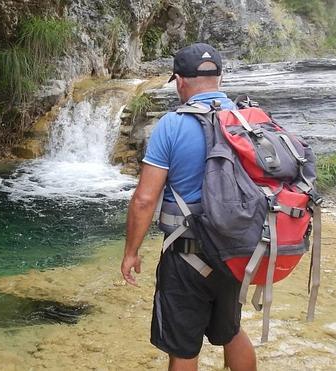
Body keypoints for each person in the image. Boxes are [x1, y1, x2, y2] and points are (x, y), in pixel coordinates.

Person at [121, 43, 257, 371]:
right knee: (231, 331)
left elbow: (144, 199)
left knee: (183, 348)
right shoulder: (247, 119)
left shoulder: (172, 125)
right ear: (219, 78)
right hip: (238, 250)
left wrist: (131, 252)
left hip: (186, 253)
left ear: (180, 81)